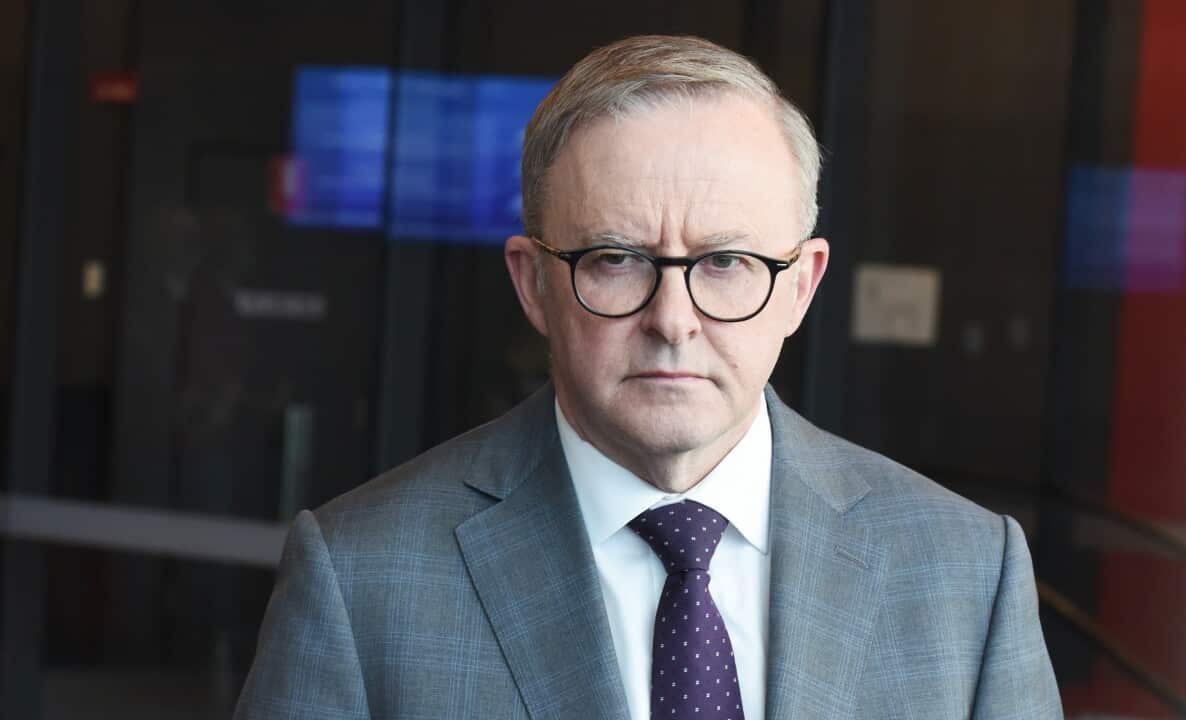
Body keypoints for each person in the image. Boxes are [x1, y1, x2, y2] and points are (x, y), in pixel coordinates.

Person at [235, 35, 1062, 719]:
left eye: (729, 261)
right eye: (619, 259)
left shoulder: (966, 573)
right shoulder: (359, 576)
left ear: (802, 286)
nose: (674, 318)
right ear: (533, 284)